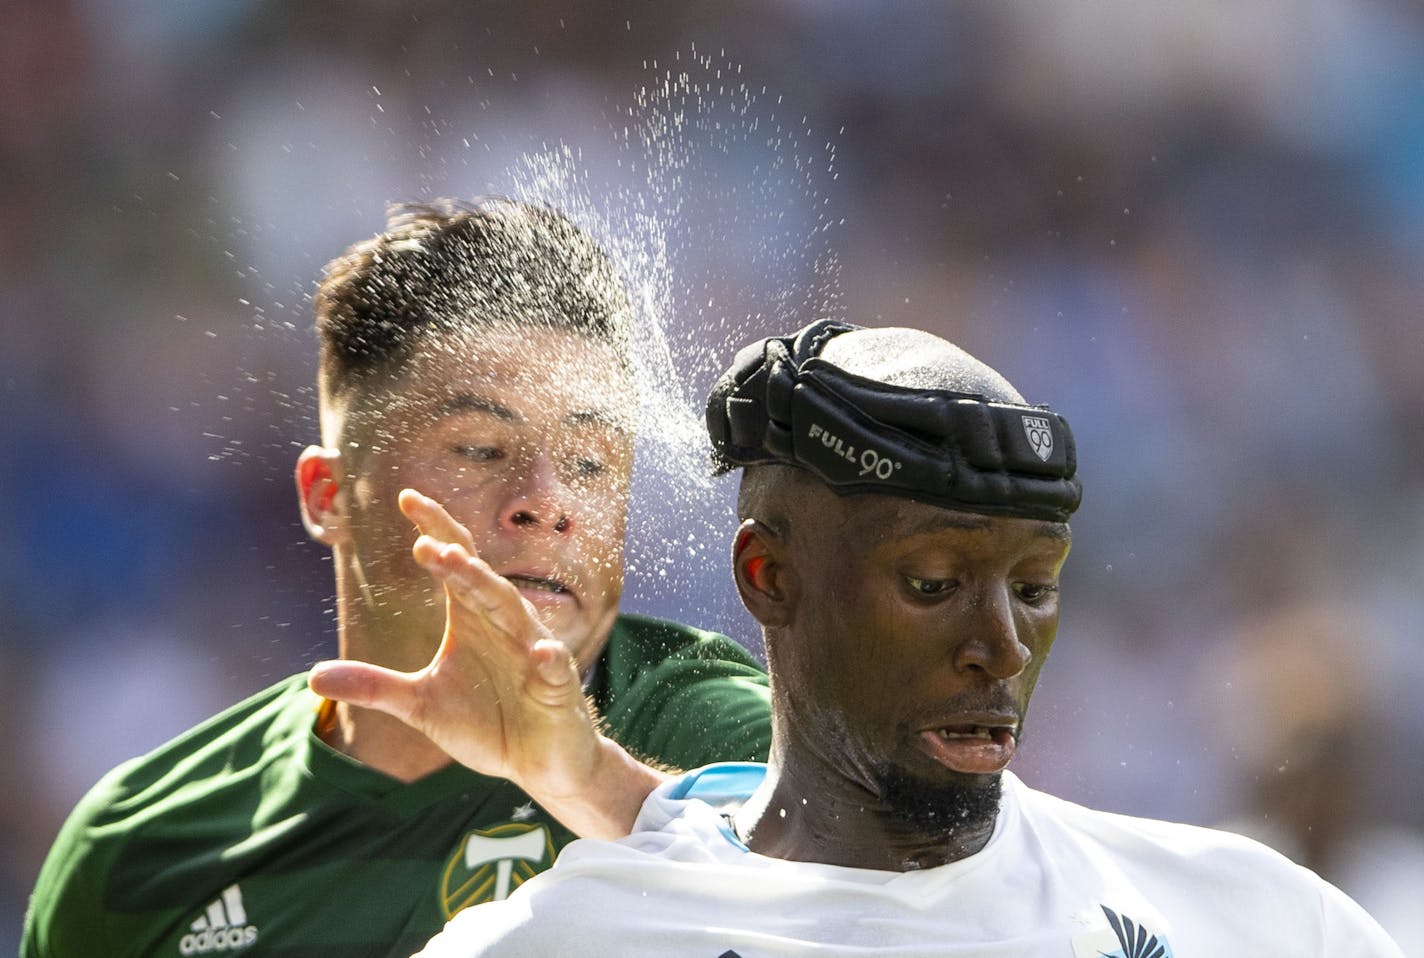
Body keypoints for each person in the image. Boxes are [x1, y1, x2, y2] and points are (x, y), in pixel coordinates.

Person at [367, 319, 1402, 956]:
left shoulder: (1254, 919)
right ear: (769, 577)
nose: (997, 645)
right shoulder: (569, 943)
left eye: (1034, 587)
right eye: (934, 581)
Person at [21, 199, 772, 958]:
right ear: (330, 496)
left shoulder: (719, 736)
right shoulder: (136, 855)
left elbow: (881, 893)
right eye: (480, 449)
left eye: (590, 463)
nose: (546, 502)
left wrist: (602, 788)